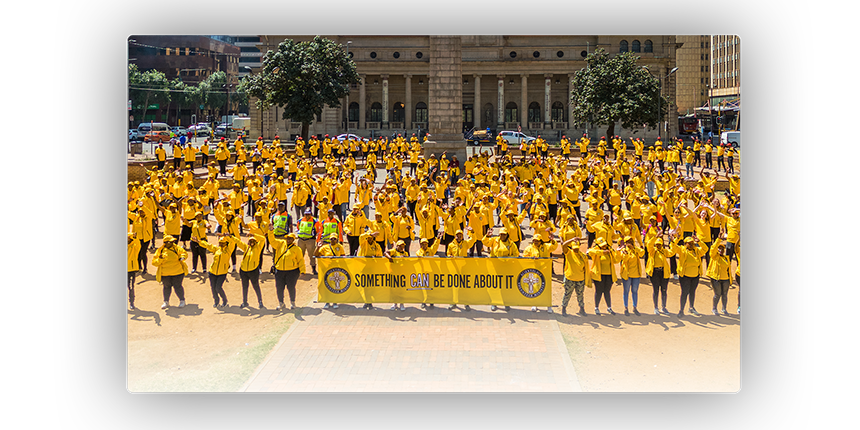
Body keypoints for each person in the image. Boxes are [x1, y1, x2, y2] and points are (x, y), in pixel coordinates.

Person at [268, 225, 306, 311]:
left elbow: (300, 260)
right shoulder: (280, 244)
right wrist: (270, 231)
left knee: (291, 287)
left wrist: (302, 271)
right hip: (279, 271)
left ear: (293, 240)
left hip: (292, 271)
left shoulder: (297, 249)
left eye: (290, 239)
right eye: (287, 238)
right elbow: (272, 241)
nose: (288, 240)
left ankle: (292, 302)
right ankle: (281, 303)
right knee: (279, 287)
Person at [193, 233, 233, 308]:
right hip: (212, 272)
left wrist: (227, 236)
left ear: (226, 243)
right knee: (213, 288)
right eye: (220, 243)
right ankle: (216, 301)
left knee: (218, 287)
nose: (221, 244)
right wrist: (198, 241)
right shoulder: (216, 249)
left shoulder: (228, 250)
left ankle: (224, 300)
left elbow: (232, 242)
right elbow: (208, 245)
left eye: (223, 243)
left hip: (222, 273)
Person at [522, 230, 557, 313]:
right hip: (534, 271)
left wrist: (553, 241)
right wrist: (531, 258)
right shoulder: (529, 248)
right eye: (534, 240)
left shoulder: (546, 246)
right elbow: (524, 257)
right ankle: (535, 304)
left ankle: (548, 305)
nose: (536, 242)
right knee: (535, 288)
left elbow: (554, 247)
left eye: (537, 241)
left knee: (546, 289)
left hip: (545, 271)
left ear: (541, 241)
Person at [671, 235, 706, 317]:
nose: (691, 245)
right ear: (685, 244)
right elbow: (673, 247)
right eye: (689, 243)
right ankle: (681, 310)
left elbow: (705, 249)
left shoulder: (697, 250)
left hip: (695, 276)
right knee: (684, 292)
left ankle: (691, 307)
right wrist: (676, 239)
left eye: (692, 243)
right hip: (685, 276)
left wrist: (699, 241)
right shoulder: (682, 250)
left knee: (692, 292)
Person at [229, 233, 266, 309]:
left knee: (256, 286)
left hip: (253, 271)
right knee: (245, 287)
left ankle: (260, 301)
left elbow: (263, 239)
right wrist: (231, 236)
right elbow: (238, 242)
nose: (252, 242)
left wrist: (254, 235)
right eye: (250, 241)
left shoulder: (258, 247)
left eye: (253, 241)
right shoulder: (246, 247)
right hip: (243, 271)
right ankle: (245, 302)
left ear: (255, 242)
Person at [151, 234, 188, 310]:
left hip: (177, 272)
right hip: (165, 273)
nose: (172, 243)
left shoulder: (176, 248)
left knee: (177, 286)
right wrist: (160, 259)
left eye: (172, 241)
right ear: (166, 243)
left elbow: (183, 253)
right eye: (170, 242)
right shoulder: (160, 250)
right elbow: (154, 263)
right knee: (166, 287)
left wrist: (182, 257)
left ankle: (182, 300)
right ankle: (166, 302)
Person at [445, 228, 477, 311]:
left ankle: (466, 303)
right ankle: (453, 302)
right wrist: (449, 256)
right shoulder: (450, 245)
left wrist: (472, 232)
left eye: (460, 236)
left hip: (463, 268)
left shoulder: (465, 243)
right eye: (457, 235)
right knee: (454, 287)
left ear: (462, 236)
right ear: (455, 236)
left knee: (464, 287)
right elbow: (448, 253)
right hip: (454, 268)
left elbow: (473, 240)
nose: (459, 237)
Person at [587, 237, 618, 315]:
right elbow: (589, 251)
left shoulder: (610, 250)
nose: (604, 246)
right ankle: (596, 307)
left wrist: (617, 252)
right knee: (599, 291)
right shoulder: (596, 250)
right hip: (598, 275)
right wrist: (602, 252)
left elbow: (616, 260)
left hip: (609, 275)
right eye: (602, 245)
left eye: (605, 245)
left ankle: (609, 307)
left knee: (607, 291)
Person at [315, 233, 345, 309]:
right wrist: (318, 247)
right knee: (327, 285)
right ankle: (327, 302)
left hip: (336, 269)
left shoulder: (340, 247)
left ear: (337, 239)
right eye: (331, 239)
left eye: (334, 239)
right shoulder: (325, 247)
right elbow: (316, 255)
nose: (333, 240)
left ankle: (334, 301)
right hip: (326, 269)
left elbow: (343, 257)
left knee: (335, 285)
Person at [560, 236, 588, 316]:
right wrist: (571, 239)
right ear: (572, 247)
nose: (576, 249)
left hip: (580, 279)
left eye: (577, 248)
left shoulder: (583, 255)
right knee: (567, 294)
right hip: (570, 278)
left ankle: (582, 309)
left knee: (580, 295)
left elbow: (585, 267)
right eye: (574, 248)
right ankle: (564, 308)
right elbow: (564, 245)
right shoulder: (569, 253)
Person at [618, 235, 645, 316]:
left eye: (631, 241)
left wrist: (634, 248)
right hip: (627, 275)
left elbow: (642, 253)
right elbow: (624, 259)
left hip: (636, 275)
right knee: (626, 291)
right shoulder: (623, 250)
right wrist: (626, 254)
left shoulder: (635, 250)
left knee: (635, 291)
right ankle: (626, 308)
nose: (630, 243)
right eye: (628, 242)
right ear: (625, 243)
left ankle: (635, 307)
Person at [706, 234, 732, 316]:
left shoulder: (726, 258)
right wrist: (718, 239)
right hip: (716, 279)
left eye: (722, 249)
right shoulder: (714, 256)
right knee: (717, 294)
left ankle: (724, 309)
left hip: (725, 279)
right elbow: (712, 249)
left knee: (724, 294)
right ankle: (714, 308)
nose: (720, 250)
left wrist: (730, 280)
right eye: (719, 248)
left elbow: (728, 270)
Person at [357, 231, 384, 309]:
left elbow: (380, 256)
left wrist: (374, 258)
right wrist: (369, 234)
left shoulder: (377, 246)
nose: (369, 239)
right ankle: (366, 301)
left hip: (372, 268)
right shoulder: (363, 244)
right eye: (368, 237)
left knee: (371, 285)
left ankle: (370, 302)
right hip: (364, 267)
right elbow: (361, 236)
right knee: (365, 285)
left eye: (371, 238)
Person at [384, 240, 409, 310]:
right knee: (394, 290)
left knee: (401, 290)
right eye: (400, 246)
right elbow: (386, 253)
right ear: (397, 246)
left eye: (403, 246)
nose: (401, 247)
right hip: (394, 274)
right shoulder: (394, 251)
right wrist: (389, 257)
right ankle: (395, 303)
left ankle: (402, 303)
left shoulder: (405, 253)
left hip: (402, 274)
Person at [295, 208, 322, 275]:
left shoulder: (315, 221)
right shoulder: (300, 220)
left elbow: (318, 231)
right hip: (301, 240)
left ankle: (313, 269)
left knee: (311, 255)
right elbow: (298, 228)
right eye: (306, 214)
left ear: (311, 214)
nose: (307, 216)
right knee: (300, 255)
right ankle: (298, 268)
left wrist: (317, 239)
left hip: (310, 240)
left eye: (308, 214)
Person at [127, 232, 140, 310]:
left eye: (129, 238)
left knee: (131, 287)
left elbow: (138, 245)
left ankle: (131, 303)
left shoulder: (134, 247)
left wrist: (135, 238)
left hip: (131, 270)